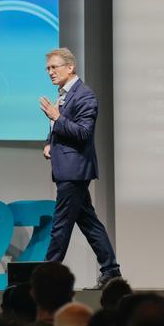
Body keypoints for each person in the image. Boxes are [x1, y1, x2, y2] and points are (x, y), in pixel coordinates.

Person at [39, 47, 121, 288]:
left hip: (74, 171)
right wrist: (48, 144)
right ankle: (111, 269)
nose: (50, 72)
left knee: (61, 224)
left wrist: (56, 116)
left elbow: (84, 133)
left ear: (70, 67)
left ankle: (47, 276)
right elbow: (59, 131)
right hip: (66, 168)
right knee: (88, 222)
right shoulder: (64, 94)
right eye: (48, 69)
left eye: (54, 67)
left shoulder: (85, 95)